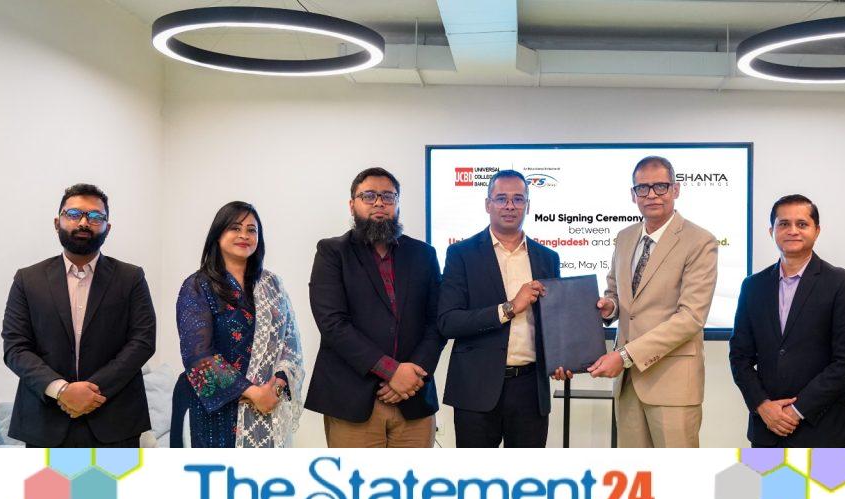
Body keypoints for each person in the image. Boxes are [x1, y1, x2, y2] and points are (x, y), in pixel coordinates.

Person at [2, 183, 156, 447]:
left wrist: (89, 392)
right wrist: (62, 390)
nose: (84, 222)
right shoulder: (28, 279)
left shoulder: (131, 278)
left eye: (95, 216)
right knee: (48, 479)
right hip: (45, 420)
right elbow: (15, 347)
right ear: (57, 222)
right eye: (73, 214)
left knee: (116, 479)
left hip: (115, 420)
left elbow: (142, 342)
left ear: (108, 227)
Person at [306, 167, 444, 448]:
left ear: (397, 204)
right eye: (369, 196)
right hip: (353, 399)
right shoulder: (332, 252)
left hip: (413, 398)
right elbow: (333, 323)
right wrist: (392, 372)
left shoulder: (424, 254)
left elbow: (437, 321)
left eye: (388, 196)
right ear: (352, 204)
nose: (379, 203)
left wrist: (412, 376)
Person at [587, 156, 718, 448]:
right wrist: (610, 307)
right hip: (628, 385)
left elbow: (691, 318)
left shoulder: (700, 241)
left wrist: (624, 356)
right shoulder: (624, 237)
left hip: (672, 384)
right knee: (638, 474)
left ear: (676, 189)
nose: (652, 195)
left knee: (676, 473)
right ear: (633, 194)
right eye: (643, 188)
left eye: (661, 186)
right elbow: (616, 293)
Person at [438, 169, 561, 448]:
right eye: (501, 198)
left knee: (528, 475)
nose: (510, 206)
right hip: (475, 389)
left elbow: (554, 322)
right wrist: (509, 308)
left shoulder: (548, 258)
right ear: (487, 204)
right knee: (476, 476)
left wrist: (562, 359)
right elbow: (448, 321)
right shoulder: (461, 254)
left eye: (518, 199)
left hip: (530, 390)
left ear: (528, 205)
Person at [729, 195, 845, 447]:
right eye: (783, 224)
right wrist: (762, 405)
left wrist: (797, 410)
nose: (792, 231)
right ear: (771, 231)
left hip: (823, 430)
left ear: (816, 231)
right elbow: (739, 356)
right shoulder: (753, 286)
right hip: (767, 428)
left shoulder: (841, 283)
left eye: (802, 224)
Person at [171, 201, 304, 448]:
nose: (244, 235)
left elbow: (290, 343)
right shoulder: (198, 286)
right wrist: (253, 393)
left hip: (268, 406)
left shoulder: (271, 285)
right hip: (217, 412)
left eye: (251, 230)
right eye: (235, 228)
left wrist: (275, 388)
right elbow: (197, 356)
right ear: (218, 234)